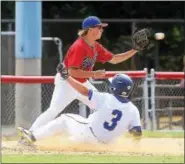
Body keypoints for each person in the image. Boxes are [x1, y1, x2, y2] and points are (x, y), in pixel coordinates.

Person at [18, 16, 148, 145]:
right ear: (91, 30)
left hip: (82, 82)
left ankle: (91, 136)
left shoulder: (95, 46)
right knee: (54, 109)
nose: (102, 30)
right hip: (67, 82)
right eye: (99, 28)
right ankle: (29, 136)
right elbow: (71, 71)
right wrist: (94, 74)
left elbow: (114, 59)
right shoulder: (79, 46)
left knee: (102, 106)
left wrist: (134, 50)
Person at [17, 63, 142, 146]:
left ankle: (32, 137)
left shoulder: (106, 98)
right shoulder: (133, 110)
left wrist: (67, 77)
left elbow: (84, 90)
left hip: (89, 135)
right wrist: (134, 147)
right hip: (106, 145)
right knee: (74, 138)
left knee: (65, 119)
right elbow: (137, 133)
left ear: (115, 88)